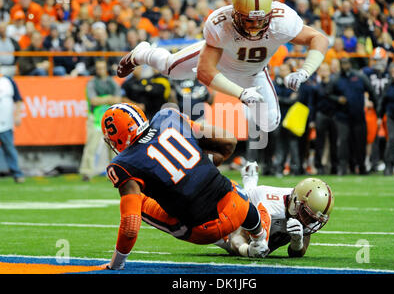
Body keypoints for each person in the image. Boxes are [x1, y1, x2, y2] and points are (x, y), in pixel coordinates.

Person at [116, 0, 328, 135]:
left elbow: (318, 38)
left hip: (253, 73)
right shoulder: (221, 23)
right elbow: (204, 72)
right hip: (219, 60)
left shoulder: (283, 20)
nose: (255, 28)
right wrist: (241, 93)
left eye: (260, 21)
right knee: (170, 67)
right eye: (248, 21)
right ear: (235, 14)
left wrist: (304, 71)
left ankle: (248, 113)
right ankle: (142, 52)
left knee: (270, 123)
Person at [101, 103, 271, 270]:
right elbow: (227, 140)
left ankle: (230, 242)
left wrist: (116, 263)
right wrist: (196, 166)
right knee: (228, 187)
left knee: (141, 204)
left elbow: (130, 227)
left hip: (204, 231)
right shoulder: (167, 116)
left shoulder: (122, 164)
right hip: (238, 206)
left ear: (117, 137)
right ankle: (259, 237)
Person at [215, 174, 335, 258]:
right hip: (239, 205)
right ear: (295, 202)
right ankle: (249, 182)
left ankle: (250, 181)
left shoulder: (308, 210)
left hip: (260, 202)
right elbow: (236, 239)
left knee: (262, 247)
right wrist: (247, 250)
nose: (310, 222)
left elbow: (297, 253)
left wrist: (297, 243)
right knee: (215, 236)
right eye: (307, 215)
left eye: (314, 219)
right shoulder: (269, 206)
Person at [329, 57, 378, 175]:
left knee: (360, 142)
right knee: (343, 142)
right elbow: (327, 93)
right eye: (342, 63)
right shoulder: (336, 78)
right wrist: (337, 99)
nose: (345, 65)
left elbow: (371, 91)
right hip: (342, 116)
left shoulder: (360, 77)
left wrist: (375, 106)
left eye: (346, 63)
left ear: (350, 64)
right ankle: (343, 167)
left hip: (358, 115)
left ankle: (361, 167)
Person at [79, 59, 122, 181]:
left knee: (113, 148)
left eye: (102, 68)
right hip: (95, 119)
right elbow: (93, 100)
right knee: (91, 146)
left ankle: (115, 172)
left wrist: (102, 99)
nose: (100, 70)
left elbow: (118, 99)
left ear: (106, 69)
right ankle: (87, 172)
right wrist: (109, 98)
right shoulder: (92, 83)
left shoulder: (111, 82)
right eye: (98, 68)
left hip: (110, 119)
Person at [313, 63, 338, 175]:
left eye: (325, 70)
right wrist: (312, 119)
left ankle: (335, 166)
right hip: (321, 114)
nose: (324, 72)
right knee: (319, 142)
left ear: (329, 71)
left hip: (333, 115)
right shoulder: (316, 86)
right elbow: (312, 104)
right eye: (322, 70)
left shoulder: (334, 85)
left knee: (334, 142)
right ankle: (319, 166)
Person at [0, 73, 25, 183]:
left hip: (5, 122)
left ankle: (17, 173)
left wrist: (18, 115)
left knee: (9, 148)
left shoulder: (8, 81)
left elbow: (18, 99)